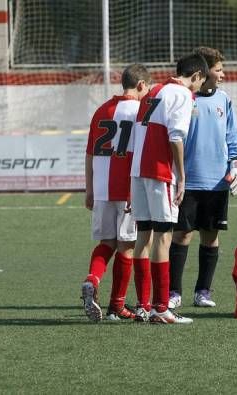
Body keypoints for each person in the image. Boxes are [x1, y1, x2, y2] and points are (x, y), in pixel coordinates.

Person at [130, 52, 208, 324]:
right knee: (163, 237)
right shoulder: (182, 95)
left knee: (143, 237)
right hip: (160, 172)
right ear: (196, 75)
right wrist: (182, 176)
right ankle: (161, 308)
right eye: (201, 81)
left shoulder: (155, 91)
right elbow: (176, 137)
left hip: (138, 171)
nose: (199, 88)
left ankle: (143, 306)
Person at [168, 47, 237, 310]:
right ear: (204, 72)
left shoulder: (224, 100)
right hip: (187, 182)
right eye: (218, 69)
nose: (222, 74)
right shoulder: (184, 98)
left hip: (217, 182)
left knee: (211, 237)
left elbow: (233, 138)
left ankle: (202, 291)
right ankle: (173, 292)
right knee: (181, 235)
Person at [81, 64, 152, 322]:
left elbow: (89, 154)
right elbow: (143, 151)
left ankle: (92, 279)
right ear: (142, 85)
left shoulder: (102, 110)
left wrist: (89, 189)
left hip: (101, 188)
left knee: (106, 243)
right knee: (127, 247)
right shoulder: (141, 112)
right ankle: (116, 306)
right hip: (127, 189)